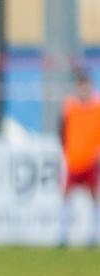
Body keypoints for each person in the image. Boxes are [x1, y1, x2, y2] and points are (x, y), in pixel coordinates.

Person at [59, 69, 100, 248]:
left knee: (93, 198)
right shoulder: (70, 107)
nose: (83, 90)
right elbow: (62, 130)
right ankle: (62, 235)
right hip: (73, 159)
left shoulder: (97, 107)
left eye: (86, 86)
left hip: (91, 161)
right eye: (80, 86)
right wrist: (66, 150)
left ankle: (92, 235)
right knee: (66, 197)